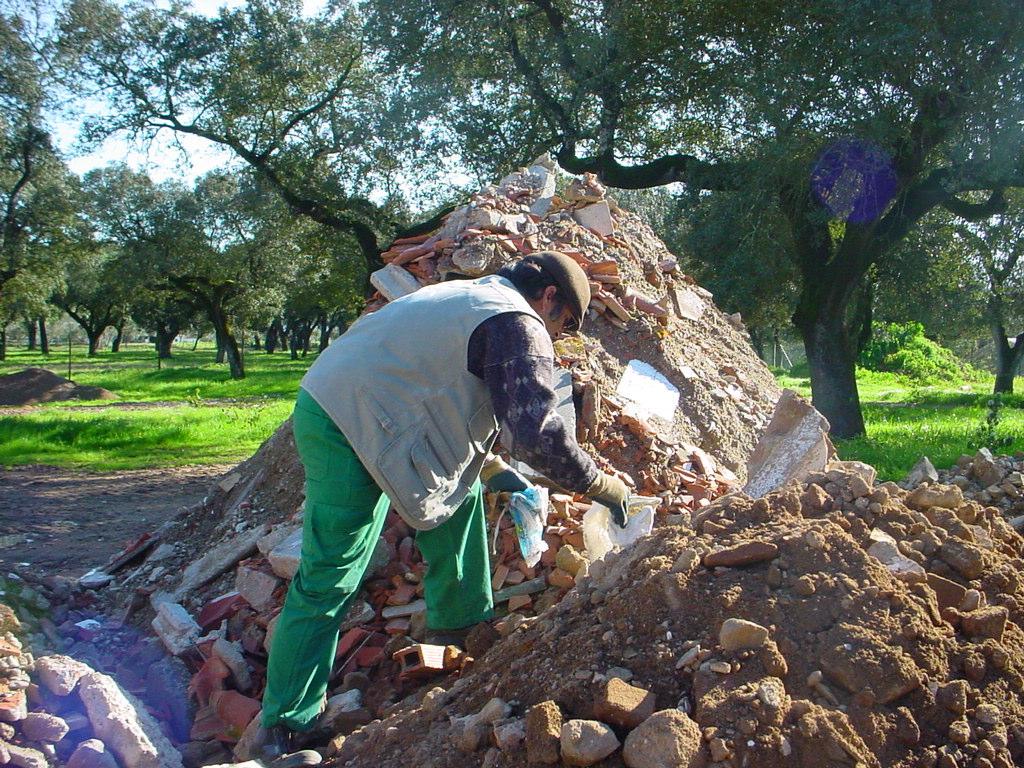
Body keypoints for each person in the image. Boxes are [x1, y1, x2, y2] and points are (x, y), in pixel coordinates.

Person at [256, 251, 629, 762]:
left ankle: (460, 633)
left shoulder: (471, 294)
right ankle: (287, 728)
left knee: (464, 492)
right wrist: (600, 483)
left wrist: (495, 469)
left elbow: (442, 385)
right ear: (548, 298)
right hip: (346, 421)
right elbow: (536, 431)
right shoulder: (518, 323)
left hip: (346, 400)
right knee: (331, 571)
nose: (559, 335)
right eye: (563, 323)